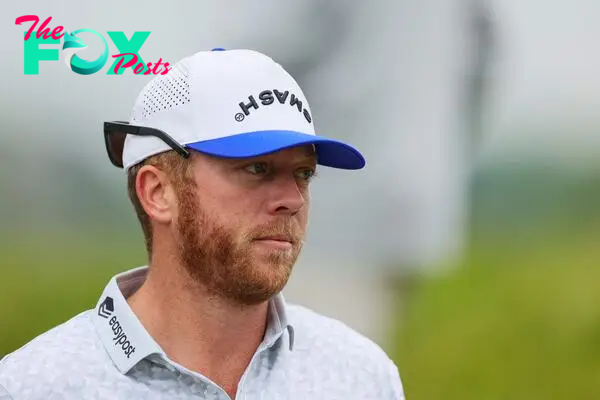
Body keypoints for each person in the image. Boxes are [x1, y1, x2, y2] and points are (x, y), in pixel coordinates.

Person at [0, 48, 405, 400]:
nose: (292, 200)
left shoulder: (362, 378)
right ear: (158, 192)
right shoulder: (35, 387)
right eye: (258, 168)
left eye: (303, 174)